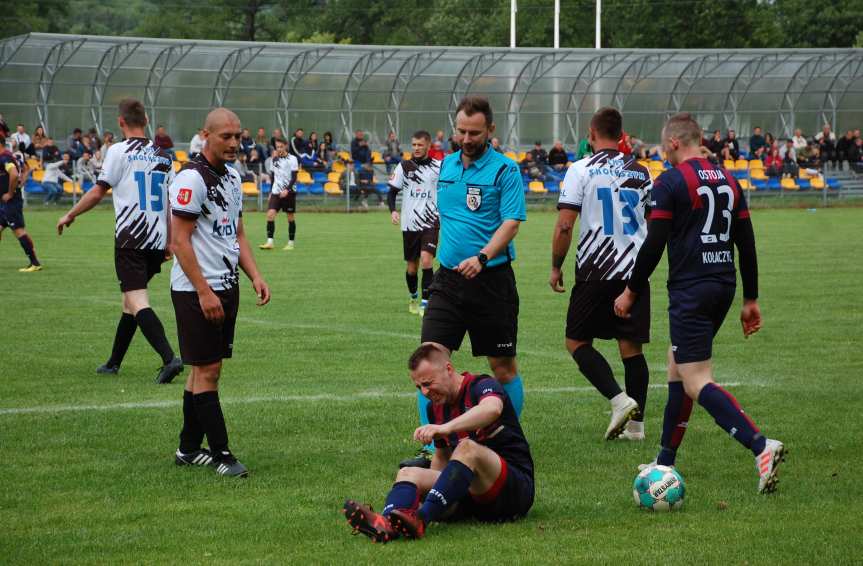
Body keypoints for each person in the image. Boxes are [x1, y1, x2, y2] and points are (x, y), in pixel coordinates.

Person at [613, 112, 785, 494]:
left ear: (674, 142)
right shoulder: (728, 178)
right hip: (723, 284)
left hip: (691, 289)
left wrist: (631, 291)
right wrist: (750, 298)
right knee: (678, 368)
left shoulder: (671, 181)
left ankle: (761, 445)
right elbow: (747, 242)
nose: (663, 152)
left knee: (696, 379)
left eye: (663, 145)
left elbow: (653, 243)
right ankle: (664, 461)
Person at [342, 343, 534, 543]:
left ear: (449, 369)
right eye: (419, 387)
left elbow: (492, 409)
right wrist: (426, 490)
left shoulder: (482, 385)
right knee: (408, 472)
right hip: (475, 500)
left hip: (514, 493)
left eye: (428, 383)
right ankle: (386, 523)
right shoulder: (437, 409)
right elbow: (441, 462)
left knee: (467, 448)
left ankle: (421, 519)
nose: (424, 392)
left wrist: (446, 428)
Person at [168, 107, 270, 477]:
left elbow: (237, 233)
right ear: (205, 135)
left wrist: (256, 275)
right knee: (207, 370)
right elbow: (179, 242)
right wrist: (204, 292)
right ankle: (223, 455)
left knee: (203, 371)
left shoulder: (230, 177)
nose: (233, 143)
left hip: (227, 287)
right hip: (198, 290)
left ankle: (188, 449)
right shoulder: (192, 179)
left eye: (237, 136)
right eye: (225, 136)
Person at [57, 98, 184, 383]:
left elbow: (97, 191)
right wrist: (171, 240)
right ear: (147, 121)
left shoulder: (118, 151)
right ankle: (113, 363)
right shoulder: (164, 155)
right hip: (157, 239)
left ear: (121, 123)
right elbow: (172, 202)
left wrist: (70, 214)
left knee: (138, 301)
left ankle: (169, 358)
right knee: (129, 303)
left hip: (131, 239)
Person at [421, 95, 527, 436]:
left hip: (492, 282)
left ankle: (503, 435)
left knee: (503, 367)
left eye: (475, 133)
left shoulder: (505, 170)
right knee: (429, 361)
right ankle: (434, 442)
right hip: (448, 281)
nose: (466, 139)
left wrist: (482, 257)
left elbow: (511, 222)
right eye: (461, 131)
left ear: (491, 130)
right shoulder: (447, 166)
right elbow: (446, 217)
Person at [551, 107, 653, 441]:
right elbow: (653, 224)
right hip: (633, 271)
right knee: (631, 348)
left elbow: (565, 224)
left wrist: (556, 265)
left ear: (591, 135)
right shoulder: (641, 172)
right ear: (622, 135)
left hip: (596, 268)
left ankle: (619, 400)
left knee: (576, 340)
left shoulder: (580, 169)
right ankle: (637, 429)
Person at [387, 130, 440, 318]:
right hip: (409, 224)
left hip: (431, 221)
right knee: (412, 267)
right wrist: (393, 210)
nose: (416, 148)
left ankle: (426, 304)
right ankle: (413, 297)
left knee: (427, 260)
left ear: (428, 145)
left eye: (420, 145)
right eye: (414, 145)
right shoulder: (404, 167)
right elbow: (392, 192)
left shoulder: (438, 167)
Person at [0, 123, 43, 272]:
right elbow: (22, 170)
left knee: (19, 231)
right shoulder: (7, 155)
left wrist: (11, 193)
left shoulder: (4, 157)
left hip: (11, 201)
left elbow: (13, 173)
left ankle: (35, 263)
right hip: (5, 202)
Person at [259, 138, 299, 251]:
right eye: (277, 147)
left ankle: (291, 243)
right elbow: (273, 177)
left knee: (290, 217)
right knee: (270, 214)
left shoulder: (293, 159)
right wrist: (271, 192)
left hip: (289, 192)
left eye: (281, 147)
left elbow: (294, 177)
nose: (279, 149)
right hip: (276, 192)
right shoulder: (274, 160)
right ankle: (269, 242)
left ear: (286, 146)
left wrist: (287, 190)